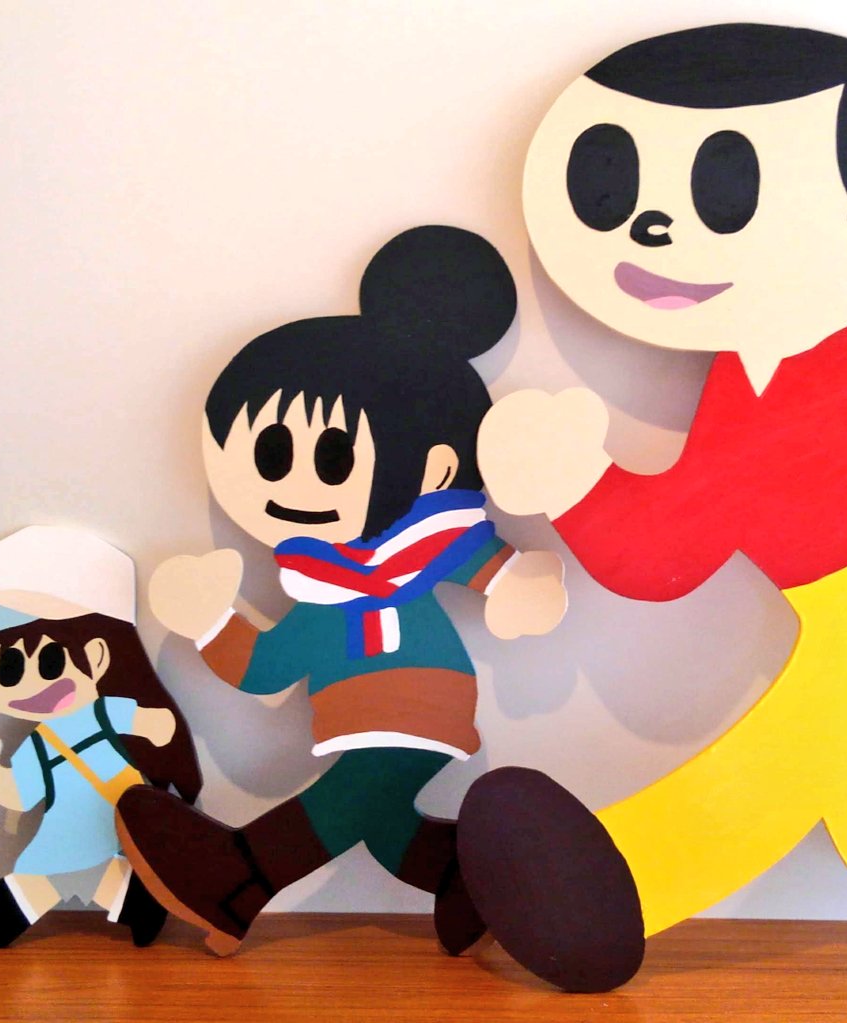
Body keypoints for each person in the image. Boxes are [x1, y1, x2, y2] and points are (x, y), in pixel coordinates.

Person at [471, 23, 847, 991]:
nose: (653, 227)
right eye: (612, 187)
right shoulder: (738, 391)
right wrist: (575, 485)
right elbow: (666, 552)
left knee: (811, 731)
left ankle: (628, 881)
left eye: (728, 186)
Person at [115, 226, 568, 957]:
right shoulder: (314, 586)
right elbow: (265, 668)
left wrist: (522, 585)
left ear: (434, 465)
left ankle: (239, 878)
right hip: (357, 715)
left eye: (331, 457)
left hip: (424, 707)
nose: (296, 484)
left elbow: (499, 569)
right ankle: (464, 878)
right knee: (380, 819)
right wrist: (209, 620)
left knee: (356, 790)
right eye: (272, 454)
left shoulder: (434, 546)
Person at [0, 526, 202, 948]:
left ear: (98, 655)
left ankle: (19, 911)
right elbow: (20, 795)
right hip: (69, 831)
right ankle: (133, 903)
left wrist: (153, 725)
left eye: (50, 661)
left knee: (63, 871)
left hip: (106, 825)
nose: (31, 684)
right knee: (72, 872)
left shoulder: (103, 714)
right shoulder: (40, 743)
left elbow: (149, 723)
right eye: (9, 670)